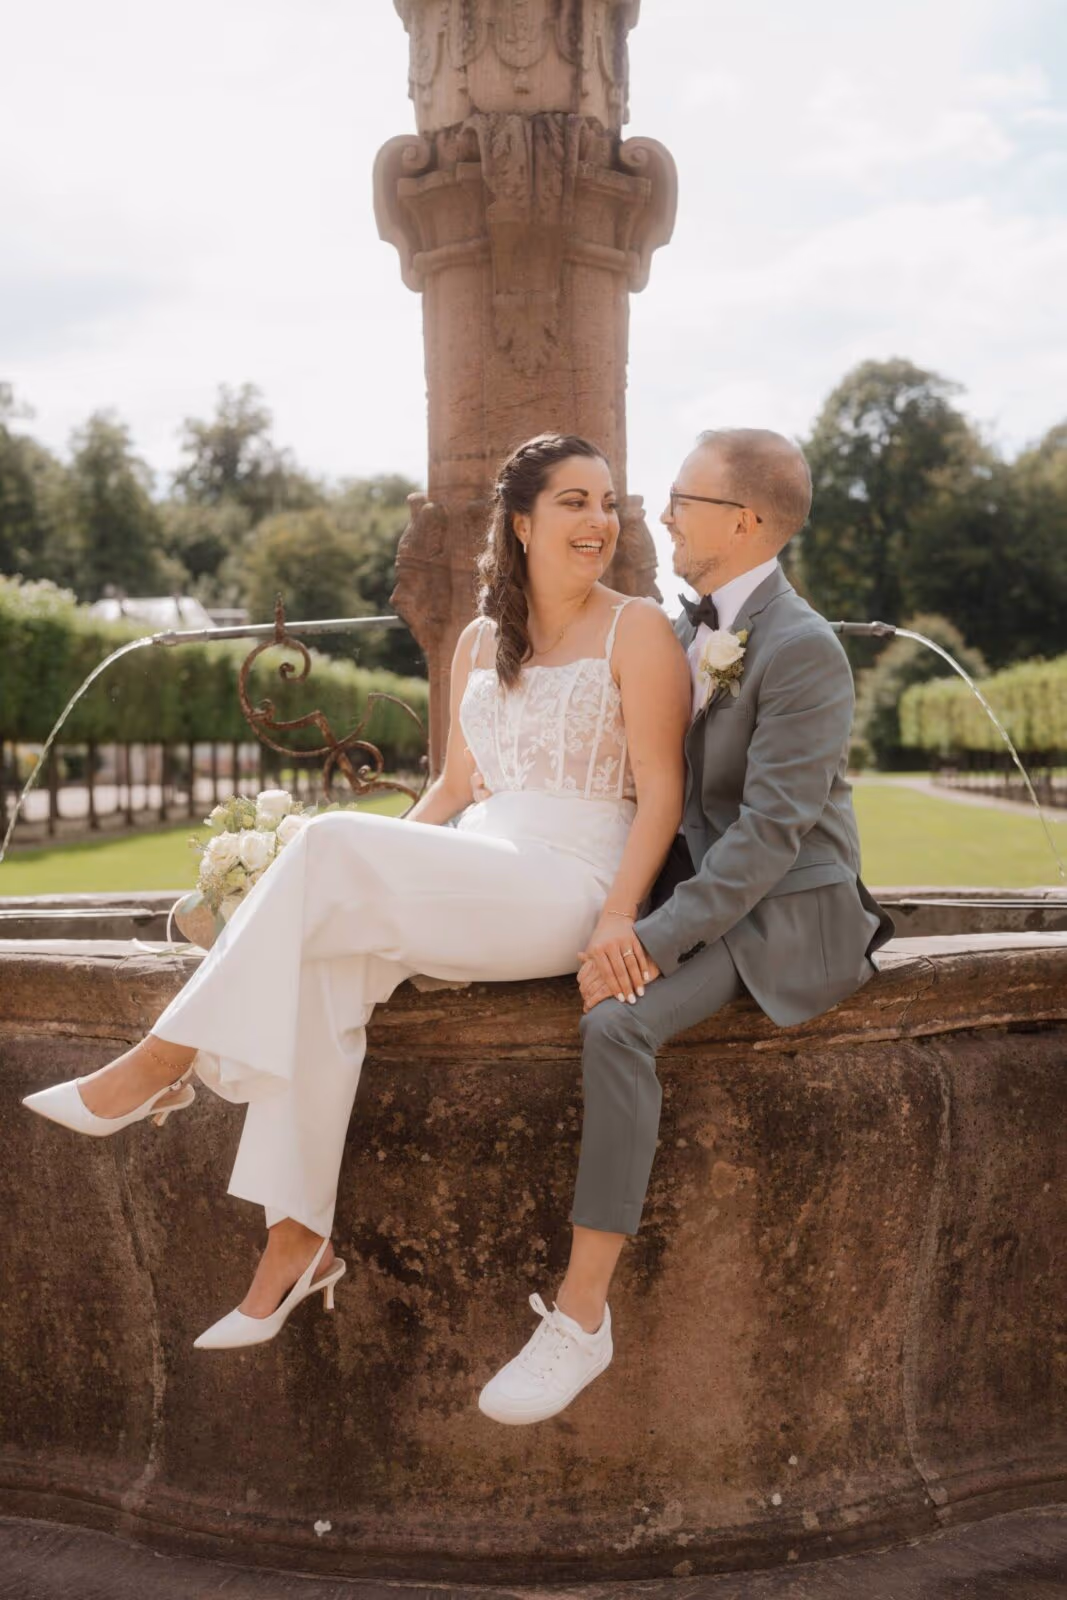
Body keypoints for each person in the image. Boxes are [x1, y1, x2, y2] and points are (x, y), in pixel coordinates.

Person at [22, 433, 691, 1394]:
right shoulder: (473, 641)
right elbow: (455, 787)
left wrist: (621, 914)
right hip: (481, 860)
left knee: (327, 844)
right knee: (325, 952)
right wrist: (352, 871)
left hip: (573, 881)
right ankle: (295, 1244)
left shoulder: (638, 630)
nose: (600, 523)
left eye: (608, 504)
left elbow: (660, 795)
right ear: (522, 519)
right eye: (575, 503)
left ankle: (163, 1063)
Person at [480, 427, 896, 1423]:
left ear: (743, 521)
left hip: (779, 910)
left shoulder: (803, 651)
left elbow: (761, 842)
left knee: (615, 1022)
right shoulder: (671, 630)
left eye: (679, 500)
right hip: (688, 892)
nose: (654, 517)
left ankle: (581, 1316)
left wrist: (644, 938)